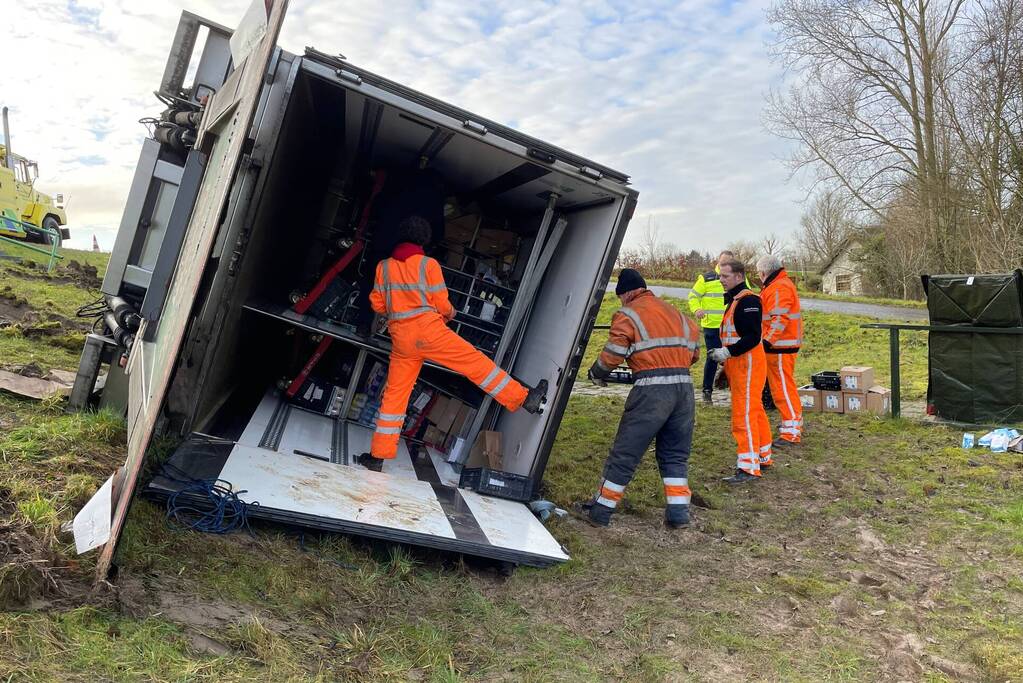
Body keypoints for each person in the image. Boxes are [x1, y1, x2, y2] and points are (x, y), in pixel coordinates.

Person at [358, 216, 547, 472]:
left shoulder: (384, 267)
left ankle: (377, 456)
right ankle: (524, 398)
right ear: (424, 240)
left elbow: (378, 304)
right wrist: (450, 313)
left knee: (395, 396)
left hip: (401, 338)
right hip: (430, 331)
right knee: (476, 364)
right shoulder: (428, 265)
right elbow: (442, 303)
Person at [582, 268, 700, 528]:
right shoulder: (676, 313)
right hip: (684, 390)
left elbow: (613, 353)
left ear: (626, 293)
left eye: (620, 297)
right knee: (675, 454)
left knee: (625, 453)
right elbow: (695, 353)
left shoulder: (628, 314)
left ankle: (600, 512)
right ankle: (679, 514)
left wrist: (596, 373)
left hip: (651, 392)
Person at [708, 259, 773, 483]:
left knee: (743, 415)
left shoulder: (747, 301)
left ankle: (748, 467)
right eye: (720, 276)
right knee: (754, 410)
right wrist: (727, 363)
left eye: (725, 276)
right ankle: (762, 456)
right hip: (742, 365)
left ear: (738, 276)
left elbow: (752, 337)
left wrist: (727, 353)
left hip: (748, 366)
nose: (721, 280)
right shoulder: (737, 300)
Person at [757, 254, 804, 447]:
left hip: (780, 347)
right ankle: (792, 424)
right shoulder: (780, 284)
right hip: (782, 346)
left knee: (783, 389)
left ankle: (791, 432)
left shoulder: (778, 287)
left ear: (763, 272)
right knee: (784, 388)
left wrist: (767, 342)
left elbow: (779, 319)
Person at [688, 250, 746, 403]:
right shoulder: (706, 278)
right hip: (712, 325)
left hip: (732, 327)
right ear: (718, 262)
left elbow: (747, 295)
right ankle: (707, 390)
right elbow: (693, 296)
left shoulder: (738, 278)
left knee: (733, 357)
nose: (724, 266)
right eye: (722, 263)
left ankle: (736, 390)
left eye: (728, 263)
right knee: (712, 357)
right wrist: (697, 309)